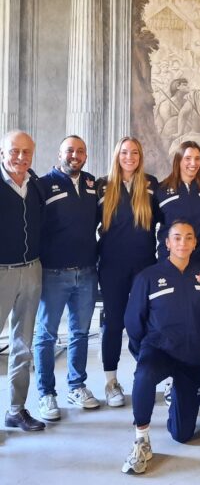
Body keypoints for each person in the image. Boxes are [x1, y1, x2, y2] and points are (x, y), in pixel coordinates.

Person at [121, 221, 200, 474]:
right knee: (144, 376)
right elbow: (133, 320)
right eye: (177, 238)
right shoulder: (148, 277)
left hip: (192, 355)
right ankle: (141, 439)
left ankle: (179, 401)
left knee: (183, 435)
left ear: (195, 243)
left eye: (188, 238)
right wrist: (144, 351)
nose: (182, 243)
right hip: (159, 348)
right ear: (167, 243)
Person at [34, 135, 100, 422]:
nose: (75, 155)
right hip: (54, 273)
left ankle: (76, 385)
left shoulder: (91, 184)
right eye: (70, 150)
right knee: (46, 335)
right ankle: (46, 393)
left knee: (80, 333)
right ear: (59, 153)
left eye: (80, 151)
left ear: (86, 156)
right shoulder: (44, 185)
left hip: (86, 272)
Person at [97, 137, 158, 407]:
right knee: (114, 324)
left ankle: (148, 374)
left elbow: (168, 221)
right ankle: (111, 382)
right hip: (111, 266)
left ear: (140, 156)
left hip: (145, 266)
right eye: (124, 152)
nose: (129, 157)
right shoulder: (102, 185)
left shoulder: (151, 185)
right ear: (117, 155)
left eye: (134, 152)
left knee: (145, 322)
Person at [0, 131, 45, 432]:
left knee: (23, 345)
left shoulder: (37, 185)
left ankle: (16, 409)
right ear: (2, 153)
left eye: (26, 152)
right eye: (14, 151)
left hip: (31, 271)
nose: (20, 157)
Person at [156, 141, 200, 264]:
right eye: (188, 158)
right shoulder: (161, 189)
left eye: (197, 159)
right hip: (170, 260)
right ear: (178, 161)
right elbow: (155, 221)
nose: (193, 163)